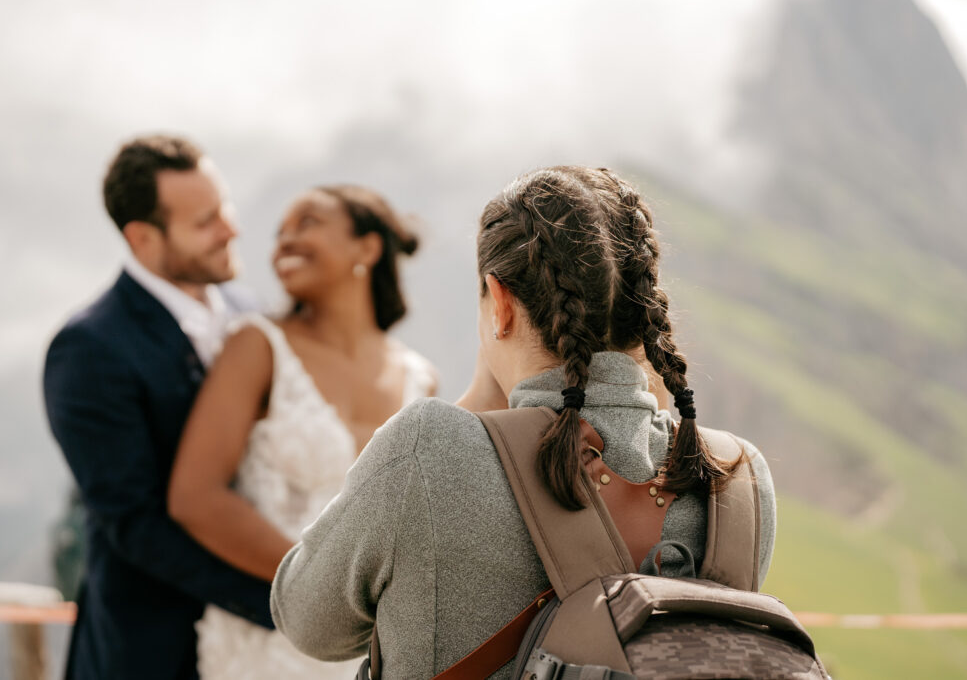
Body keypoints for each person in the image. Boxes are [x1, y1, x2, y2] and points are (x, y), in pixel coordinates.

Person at [269, 166, 777, 678]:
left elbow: (307, 620)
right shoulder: (739, 475)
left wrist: (478, 408)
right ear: (644, 309)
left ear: (501, 303)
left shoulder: (430, 447)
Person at [167, 184, 437, 678]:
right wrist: (318, 582)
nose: (284, 242)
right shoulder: (256, 344)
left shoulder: (420, 378)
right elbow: (195, 496)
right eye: (279, 233)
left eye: (307, 223)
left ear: (368, 248)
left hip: (375, 650)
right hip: (268, 644)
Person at [43, 135, 273, 680]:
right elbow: (135, 523)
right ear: (143, 237)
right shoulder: (89, 348)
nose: (231, 229)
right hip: (152, 649)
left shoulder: (249, 307)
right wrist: (284, 602)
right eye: (205, 221)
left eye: (225, 208)